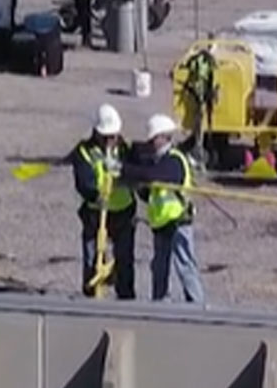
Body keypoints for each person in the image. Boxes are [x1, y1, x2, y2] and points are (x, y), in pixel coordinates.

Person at [121, 113, 205, 304]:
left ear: (163, 137)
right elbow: (150, 192)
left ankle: (197, 305)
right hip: (161, 224)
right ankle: (159, 304)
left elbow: (154, 176)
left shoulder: (174, 160)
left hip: (178, 222)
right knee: (159, 267)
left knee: (185, 266)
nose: (150, 143)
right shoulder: (158, 160)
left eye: (153, 139)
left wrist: (125, 170)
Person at [72, 103, 136, 299]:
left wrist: (125, 173)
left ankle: (125, 298)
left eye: (114, 136)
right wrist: (96, 196)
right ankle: (91, 297)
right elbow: (83, 182)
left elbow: (138, 173)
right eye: (107, 137)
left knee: (124, 260)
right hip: (95, 213)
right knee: (93, 259)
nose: (111, 140)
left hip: (123, 213)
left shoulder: (126, 149)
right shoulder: (83, 152)